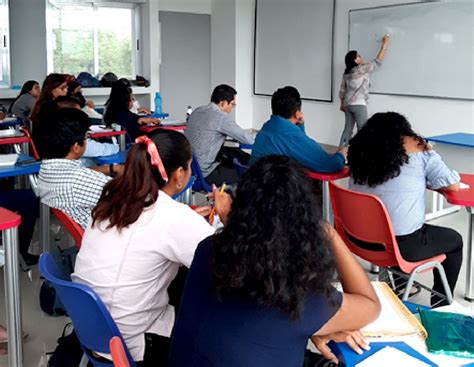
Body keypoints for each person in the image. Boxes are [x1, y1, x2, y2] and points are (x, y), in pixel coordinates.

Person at [169, 155, 381, 366]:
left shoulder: (208, 249)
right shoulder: (298, 291)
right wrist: (328, 232)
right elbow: (370, 305)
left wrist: (314, 327)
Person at [72, 129, 231, 365]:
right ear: (179, 174)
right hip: (134, 343)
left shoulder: (113, 201)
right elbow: (229, 266)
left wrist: (190, 220)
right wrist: (227, 217)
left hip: (93, 329)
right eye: (188, 167)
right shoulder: (173, 217)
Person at [348, 112, 463, 306]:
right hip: (401, 247)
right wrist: (428, 150)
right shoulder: (419, 152)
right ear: (406, 133)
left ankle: (399, 284)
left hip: (360, 240)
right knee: (455, 241)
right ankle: (440, 305)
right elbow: (453, 185)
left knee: (396, 223)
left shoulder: (360, 156)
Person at [37, 108, 114, 229]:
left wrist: (111, 168)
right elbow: (132, 198)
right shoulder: (79, 180)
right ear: (76, 147)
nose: (87, 141)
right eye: (86, 137)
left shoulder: (46, 168)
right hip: (110, 238)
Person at [250, 86, 346, 173]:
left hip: (253, 185)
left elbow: (299, 145)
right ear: (297, 113)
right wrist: (342, 154)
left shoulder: (268, 127)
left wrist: (300, 126)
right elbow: (330, 166)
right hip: (273, 189)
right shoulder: (289, 135)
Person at [185, 84, 255, 186]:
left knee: (235, 154)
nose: (232, 108)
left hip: (189, 170)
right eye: (232, 104)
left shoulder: (197, 111)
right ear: (223, 103)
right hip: (206, 174)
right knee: (249, 174)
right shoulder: (221, 117)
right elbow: (248, 139)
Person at [338, 35, 390, 147]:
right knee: (363, 130)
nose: (361, 57)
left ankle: (341, 151)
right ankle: (362, 155)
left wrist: (342, 104)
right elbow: (377, 62)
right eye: (359, 56)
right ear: (355, 60)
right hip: (359, 104)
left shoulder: (346, 73)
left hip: (347, 105)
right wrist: (384, 45)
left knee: (347, 129)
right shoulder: (361, 68)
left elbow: (342, 90)